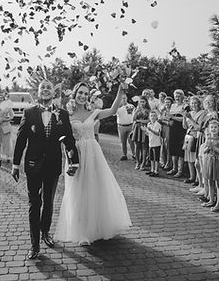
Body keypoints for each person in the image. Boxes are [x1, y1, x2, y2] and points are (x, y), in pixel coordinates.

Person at [54, 80, 132, 245]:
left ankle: (97, 227)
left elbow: (112, 110)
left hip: (93, 155)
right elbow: (63, 138)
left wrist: (120, 92)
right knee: (78, 192)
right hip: (76, 156)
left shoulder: (94, 112)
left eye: (85, 93)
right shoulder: (67, 114)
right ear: (74, 95)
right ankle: (82, 233)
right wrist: (68, 159)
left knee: (95, 189)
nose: (83, 96)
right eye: (80, 93)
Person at [12, 80, 80, 260]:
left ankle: (45, 232)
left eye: (49, 87)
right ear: (38, 92)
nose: (46, 90)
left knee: (48, 202)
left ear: (53, 93)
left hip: (53, 165)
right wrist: (15, 164)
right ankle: (34, 245)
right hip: (33, 166)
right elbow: (20, 140)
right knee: (34, 204)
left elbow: (69, 140)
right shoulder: (29, 113)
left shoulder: (62, 114)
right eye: (43, 88)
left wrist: (74, 162)